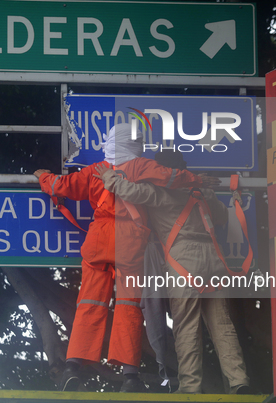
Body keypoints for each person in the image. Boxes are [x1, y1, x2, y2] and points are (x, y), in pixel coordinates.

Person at [33, 124, 203, 392]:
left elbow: (61, 186)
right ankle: (130, 377)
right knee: (128, 306)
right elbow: (171, 178)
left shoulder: (95, 170)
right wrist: (198, 180)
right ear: (135, 144)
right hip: (131, 241)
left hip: (98, 240)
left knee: (89, 301)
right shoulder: (140, 166)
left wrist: (42, 175)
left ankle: (72, 367)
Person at [94, 149, 251, 394]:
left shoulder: (159, 193)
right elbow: (221, 217)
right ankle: (239, 380)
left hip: (183, 261)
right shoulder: (202, 192)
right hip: (214, 260)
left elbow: (127, 190)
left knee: (186, 326)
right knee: (222, 325)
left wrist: (108, 176)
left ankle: (190, 386)